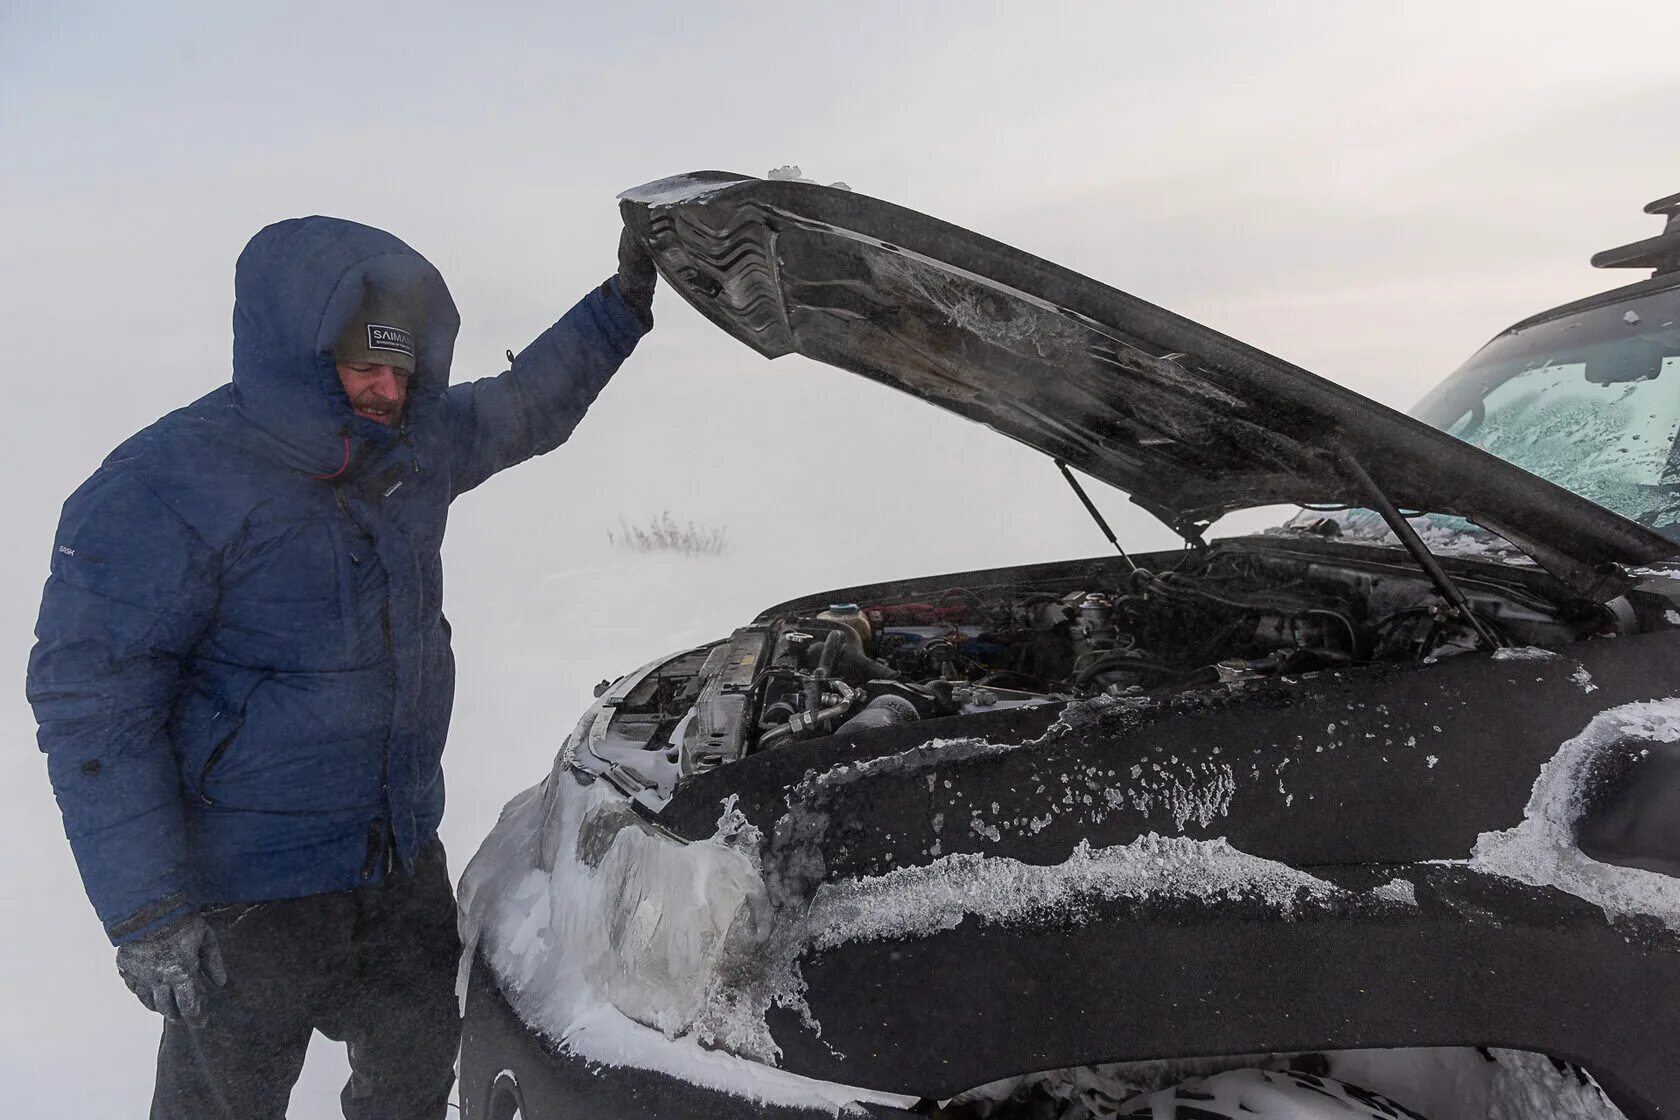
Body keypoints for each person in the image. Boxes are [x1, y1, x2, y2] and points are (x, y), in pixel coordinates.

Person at [26, 214, 658, 1118]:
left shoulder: (413, 442)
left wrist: (622, 307)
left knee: (412, 1083)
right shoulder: (164, 485)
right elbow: (92, 702)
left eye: (402, 368)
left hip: (395, 865)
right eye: (363, 365)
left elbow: (525, 406)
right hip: (249, 896)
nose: (385, 388)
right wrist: (147, 912)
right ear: (294, 354)